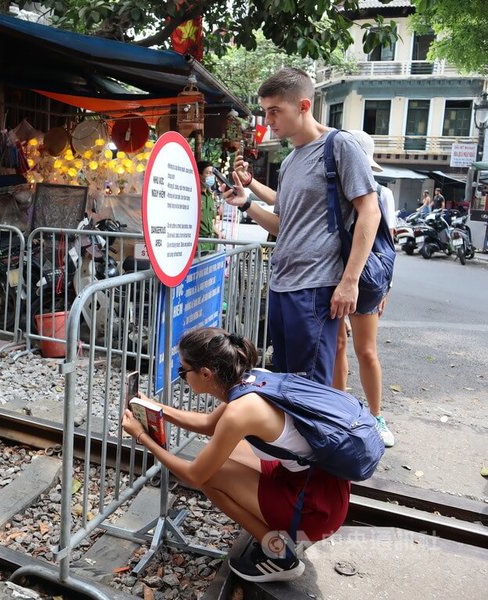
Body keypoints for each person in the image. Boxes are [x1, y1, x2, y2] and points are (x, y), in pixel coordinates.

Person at [121, 327, 351, 583]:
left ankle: (279, 554)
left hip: (314, 510)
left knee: (209, 475)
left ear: (206, 374)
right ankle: (277, 529)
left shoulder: (239, 412)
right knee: (227, 453)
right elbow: (209, 424)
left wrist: (142, 437)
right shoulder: (253, 378)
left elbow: (194, 477)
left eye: (183, 371)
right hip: (322, 487)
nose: (182, 377)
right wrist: (154, 406)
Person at [220, 67, 381, 386]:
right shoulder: (291, 161)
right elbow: (283, 226)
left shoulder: (339, 146)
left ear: (304, 106)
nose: (268, 120)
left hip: (315, 287)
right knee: (285, 379)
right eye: (266, 111)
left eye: (275, 111)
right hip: (281, 286)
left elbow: (370, 212)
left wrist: (350, 281)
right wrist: (248, 203)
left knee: (310, 387)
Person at [332, 130, 395, 447]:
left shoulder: (381, 193)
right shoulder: (334, 188)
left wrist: (386, 286)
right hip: (331, 275)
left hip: (365, 278)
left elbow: (388, 243)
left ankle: (376, 415)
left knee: (365, 349)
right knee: (337, 346)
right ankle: (340, 411)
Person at [197, 161, 219, 253]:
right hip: (198, 245)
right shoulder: (194, 195)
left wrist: (218, 233)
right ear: (199, 175)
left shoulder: (210, 196)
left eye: (212, 174)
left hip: (211, 243)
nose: (211, 176)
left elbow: (210, 220)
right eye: (208, 173)